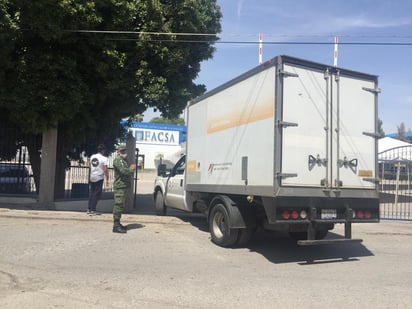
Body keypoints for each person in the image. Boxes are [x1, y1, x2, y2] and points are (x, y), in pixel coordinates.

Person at [112, 144, 136, 233]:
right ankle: (116, 225)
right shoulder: (118, 160)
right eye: (122, 151)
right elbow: (124, 171)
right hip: (120, 186)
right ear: (118, 152)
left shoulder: (123, 160)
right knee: (118, 205)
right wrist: (131, 169)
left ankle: (118, 223)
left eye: (125, 151)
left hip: (123, 186)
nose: (124, 153)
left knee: (121, 205)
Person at [88, 144, 109, 215]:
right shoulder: (104, 158)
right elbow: (105, 169)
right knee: (96, 194)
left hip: (92, 176)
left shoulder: (92, 156)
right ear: (103, 150)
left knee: (92, 192)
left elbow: (90, 166)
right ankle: (92, 210)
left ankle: (89, 208)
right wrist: (107, 178)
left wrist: (91, 174)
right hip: (99, 177)